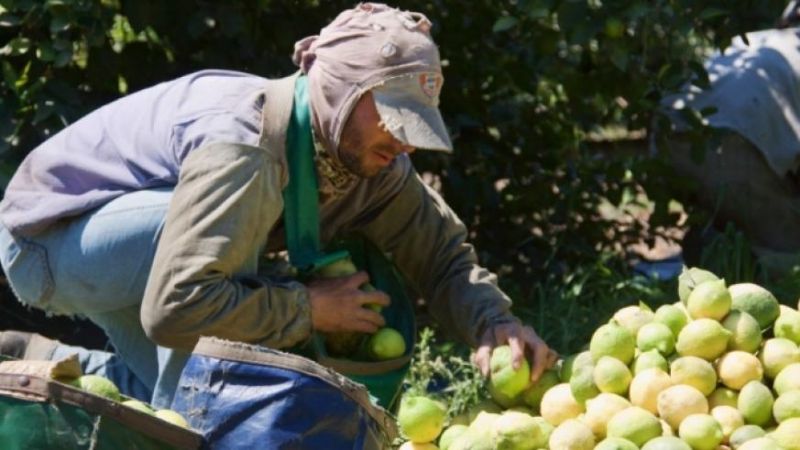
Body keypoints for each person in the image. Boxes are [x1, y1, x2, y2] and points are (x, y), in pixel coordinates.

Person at [0, 3, 556, 409]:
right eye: (392, 117)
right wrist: (306, 309)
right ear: (339, 92)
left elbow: (442, 258)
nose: (404, 142)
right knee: (203, 402)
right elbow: (176, 307)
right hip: (50, 242)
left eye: (415, 127)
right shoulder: (246, 145)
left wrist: (495, 325)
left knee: (161, 411)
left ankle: (34, 360)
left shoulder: (365, 155)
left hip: (152, 258)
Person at [660, 2, 800, 271]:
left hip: (669, 129)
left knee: (726, 213)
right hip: (735, 140)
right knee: (788, 254)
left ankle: (710, 253)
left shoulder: (753, 40)